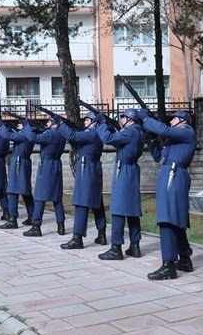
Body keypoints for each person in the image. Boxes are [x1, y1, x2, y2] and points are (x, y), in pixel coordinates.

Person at [137, 109, 197, 280]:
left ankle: (168, 265)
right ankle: (185, 259)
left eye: (173, 119)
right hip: (169, 173)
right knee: (175, 219)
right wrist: (153, 139)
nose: (170, 122)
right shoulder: (173, 139)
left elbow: (164, 129)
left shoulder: (187, 131)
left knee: (167, 219)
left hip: (174, 175)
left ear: (182, 120)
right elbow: (159, 158)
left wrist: (147, 119)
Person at [95, 108, 144, 260]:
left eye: (123, 118)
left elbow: (108, 139)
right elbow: (121, 144)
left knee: (118, 209)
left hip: (124, 170)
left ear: (130, 119)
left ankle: (116, 247)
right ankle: (135, 245)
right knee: (132, 210)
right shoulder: (137, 131)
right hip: (131, 169)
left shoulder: (129, 131)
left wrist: (102, 124)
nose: (121, 120)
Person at [55, 111, 108, 249]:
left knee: (81, 202)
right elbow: (76, 141)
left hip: (87, 168)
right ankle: (101, 234)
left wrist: (61, 123)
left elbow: (72, 135)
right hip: (92, 167)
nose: (84, 122)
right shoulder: (94, 134)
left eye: (87, 120)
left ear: (94, 122)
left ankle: (77, 238)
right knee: (96, 203)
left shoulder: (92, 133)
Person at [22, 116, 66, 237]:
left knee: (40, 196)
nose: (46, 123)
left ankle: (36, 226)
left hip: (47, 165)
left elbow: (32, 138)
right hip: (57, 164)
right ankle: (61, 226)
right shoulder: (60, 134)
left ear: (53, 123)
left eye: (48, 122)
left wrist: (26, 126)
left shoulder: (50, 134)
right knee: (56, 198)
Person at [0, 120, 35, 229]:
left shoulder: (23, 134)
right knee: (25, 191)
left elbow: (6, 135)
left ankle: (12, 219)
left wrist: (2, 125)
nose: (17, 125)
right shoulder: (28, 133)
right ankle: (32, 216)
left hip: (19, 163)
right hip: (24, 162)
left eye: (19, 124)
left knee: (13, 191)